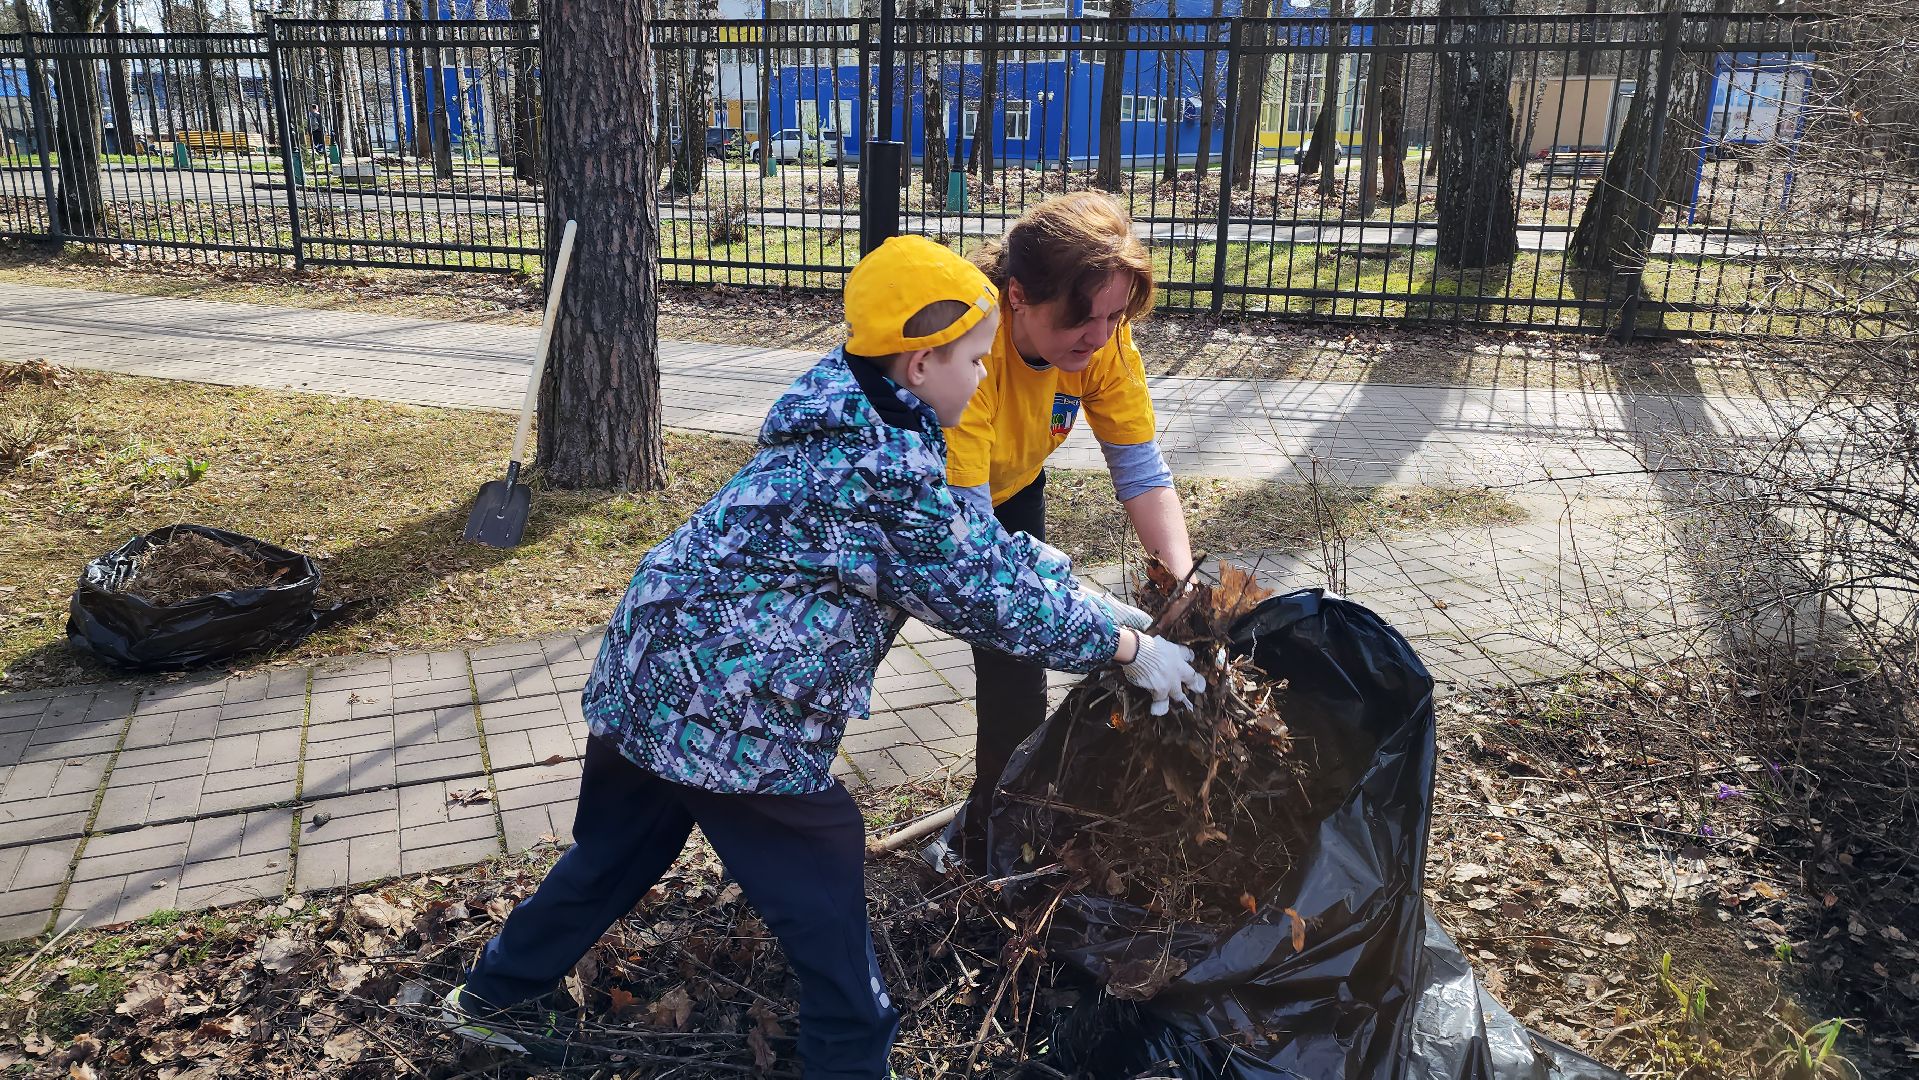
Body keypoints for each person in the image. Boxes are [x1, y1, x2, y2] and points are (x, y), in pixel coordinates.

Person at [439, 234, 1205, 1078]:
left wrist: (1103, 606)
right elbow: (977, 591)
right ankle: (850, 1054)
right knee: (824, 877)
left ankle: (496, 994)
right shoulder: (883, 466)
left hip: (647, 675)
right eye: (976, 362)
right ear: (920, 364)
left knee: (619, 850)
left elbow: (979, 549)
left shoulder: (851, 407)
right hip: (730, 712)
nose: (988, 377)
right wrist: (1125, 645)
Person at [939, 192, 1199, 869]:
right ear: (1018, 294)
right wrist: (1103, 626)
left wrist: (1179, 586)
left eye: (1115, 316)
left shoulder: (1101, 340)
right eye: (1083, 317)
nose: (1101, 335)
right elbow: (968, 545)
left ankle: (992, 840)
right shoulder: (966, 353)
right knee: (857, 651)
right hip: (923, 507)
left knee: (1014, 674)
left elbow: (1140, 468)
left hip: (1010, 488)